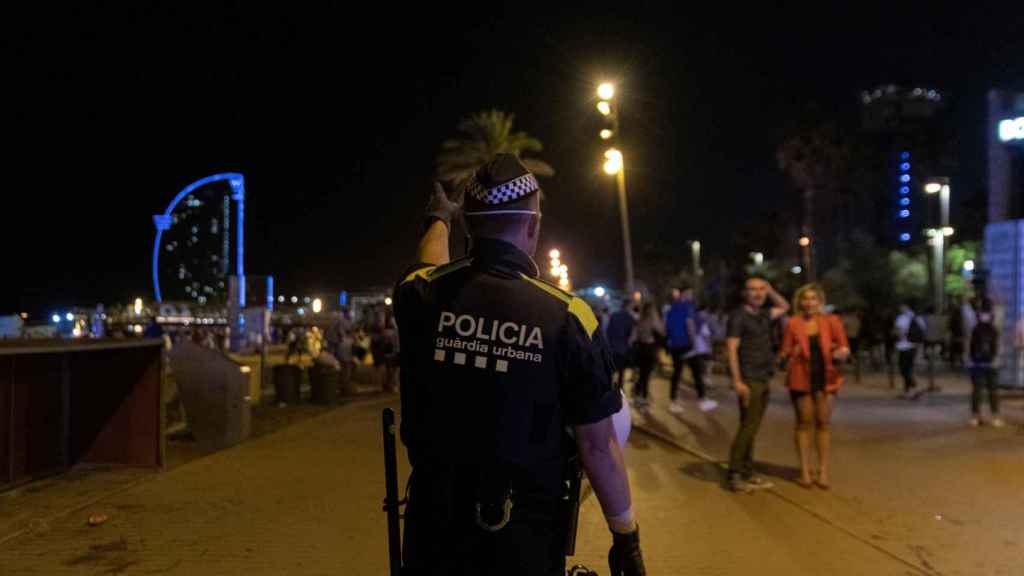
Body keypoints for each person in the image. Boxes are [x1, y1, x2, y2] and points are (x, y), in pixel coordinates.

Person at [394, 155, 644, 575]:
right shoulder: (568, 318)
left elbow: (428, 262)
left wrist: (439, 218)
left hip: (432, 528)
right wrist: (626, 538)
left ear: (470, 226)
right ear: (533, 224)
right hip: (521, 536)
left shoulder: (420, 295)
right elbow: (598, 446)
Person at [779, 285, 849, 489]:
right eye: (805, 299)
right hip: (801, 378)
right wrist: (793, 351)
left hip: (827, 378)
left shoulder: (831, 321)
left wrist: (840, 352)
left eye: (813, 299)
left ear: (820, 301)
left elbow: (844, 346)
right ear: (799, 302)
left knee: (823, 423)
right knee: (803, 422)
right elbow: (783, 355)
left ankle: (823, 470)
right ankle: (804, 471)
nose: (809, 303)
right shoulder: (792, 323)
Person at [726, 276, 789, 493]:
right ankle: (735, 472)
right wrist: (737, 381)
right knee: (748, 427)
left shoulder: (763, 314)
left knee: (751, 426)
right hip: (749, 378)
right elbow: (732, 349)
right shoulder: (738, 316)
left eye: (761, 289)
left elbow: (784, 306)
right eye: (753, 289)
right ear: (745, 293)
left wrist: (770, 290)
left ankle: (747, 471)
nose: (758, 293)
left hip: (763, 376)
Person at [968, 301, 1003, 428]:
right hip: (982, 363)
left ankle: (991, 416)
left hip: (986, 363)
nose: (984, 315)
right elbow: (972, 346)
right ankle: (978, 416)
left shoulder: (989, 329)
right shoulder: (980, 328)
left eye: (986, 313)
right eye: (983, 313)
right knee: (980, 391)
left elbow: (996, 346)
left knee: (990, 391)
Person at [665, 287, 696, 414]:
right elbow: (690, 325)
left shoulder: (672, 307)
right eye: (690, 294)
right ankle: (673, 401)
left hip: (673, 344)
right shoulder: (686, 307)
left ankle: (675, 398)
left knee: (678, 371)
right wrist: (693, 341)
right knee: (683, 371)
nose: (692, 296)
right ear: (684, 294)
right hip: (684, 343)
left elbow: (665, 325)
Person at [685, 304, 718, 412]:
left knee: (697, 372)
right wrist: (709, 347)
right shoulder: (700, 320)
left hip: (691, 349)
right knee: (699, 373)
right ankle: (702, 399)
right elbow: (706, 335)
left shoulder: (691, 318)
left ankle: (702, 395)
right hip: (699, 349)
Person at [632, 301, 664, 412]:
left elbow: (634, 336)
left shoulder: (639, 321)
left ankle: (639, 394)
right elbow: (662, 332)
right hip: (649, 349)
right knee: (646, 374)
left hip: (640, 349)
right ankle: (643, 397)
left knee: (642, 373)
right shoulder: (652, 321)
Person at [893, 303, 926, 399]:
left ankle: (915, 389)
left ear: (905, 306)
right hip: (913, 345)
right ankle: (908, 391)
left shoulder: (901, 318)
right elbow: (923, 330)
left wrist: (899, 334)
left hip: (903, 345)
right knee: (908, 368)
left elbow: (898, 331)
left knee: (904, 369)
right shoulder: (917, 317)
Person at [606, 299, 637, 389]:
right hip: (623, 348)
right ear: (628, 307)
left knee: (612, 370)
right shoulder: (630, 318)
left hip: (612, 347)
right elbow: (632, 335)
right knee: (621, 371)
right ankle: (619, 390)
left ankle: (609, 388)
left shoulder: (614, 316)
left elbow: (608, 331)